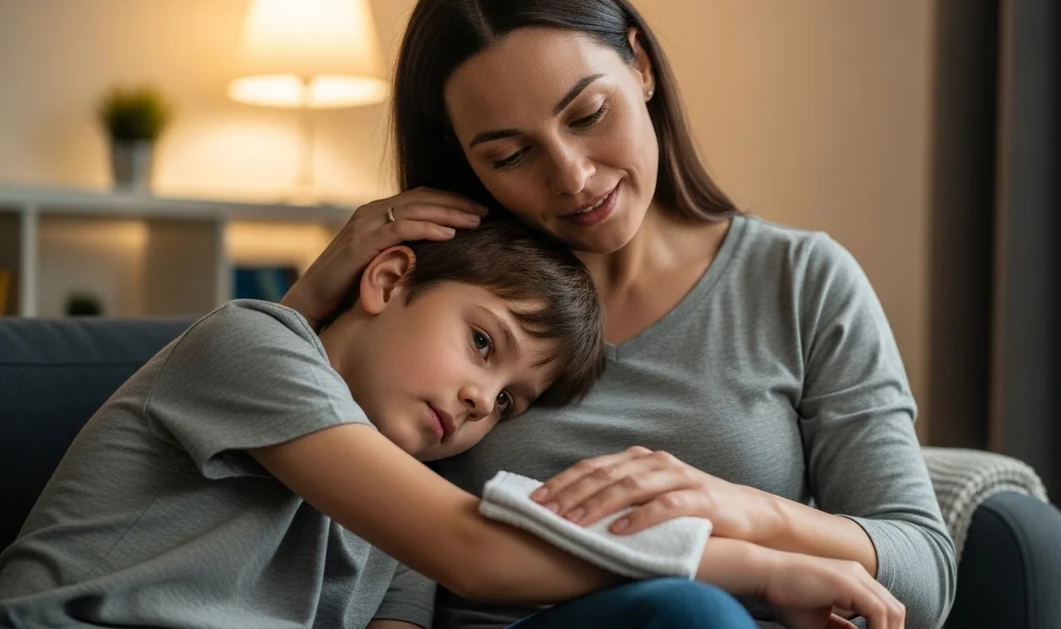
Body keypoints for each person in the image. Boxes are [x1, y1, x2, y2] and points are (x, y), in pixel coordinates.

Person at [284, 0, 953, 629]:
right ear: (467, 162)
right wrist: (310, 298)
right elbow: (274, 447)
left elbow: (924, 573)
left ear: (640, 66)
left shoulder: (799, 281)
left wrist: (740, 510)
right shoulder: (438, 305)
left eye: (587, 116)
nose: (572, 176)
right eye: (512, 155)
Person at [0, 222, 876, 629]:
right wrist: (764, 568)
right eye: (482, 343)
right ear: (387, 280)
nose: (478, 405)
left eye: (509, 404)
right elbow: (474, 554)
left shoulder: (402, 492)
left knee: (682, 617)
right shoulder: (249, 345)